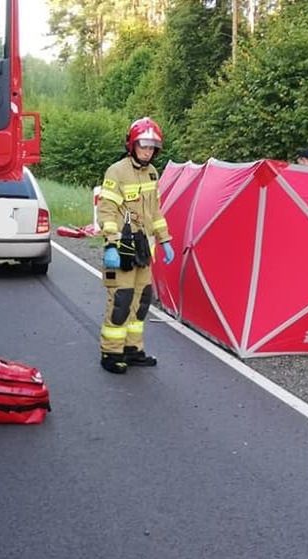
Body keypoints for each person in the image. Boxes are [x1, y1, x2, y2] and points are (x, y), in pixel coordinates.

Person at [96, 117, 175, 374]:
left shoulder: (152, 172)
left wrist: (165, 241)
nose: (147, 151)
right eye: (143, 145)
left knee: (141, 300)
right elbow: (106, 211)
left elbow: (156, 211)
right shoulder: (116, 172)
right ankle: (111, 353)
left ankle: (132, 349)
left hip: (144, 247)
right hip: (123, 248)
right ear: (132, 144)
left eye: (152, 147)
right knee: (121, 300)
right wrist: (109, 245)